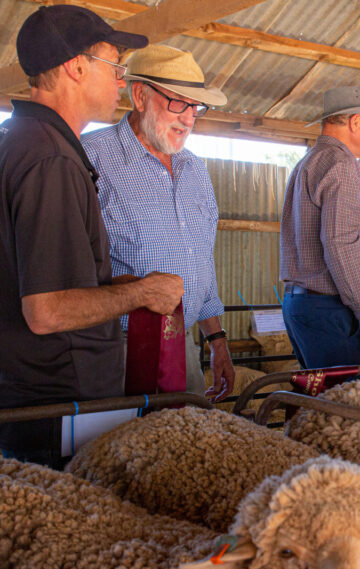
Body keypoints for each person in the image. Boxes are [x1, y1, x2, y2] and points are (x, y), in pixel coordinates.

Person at [1, 5, 183, 468]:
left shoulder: (18, 139)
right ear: (75, 67)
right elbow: (45, 310)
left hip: (27, 394)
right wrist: (141, 291)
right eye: (115, 66)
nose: (121, 81)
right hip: (60, 404)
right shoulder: (51, 160)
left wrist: (122, 288)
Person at [83, 45, 234, 400]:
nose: (189, 118)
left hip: (182, 345)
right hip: (112, 349)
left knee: (182, 447)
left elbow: (202, 263)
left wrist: (217, 340)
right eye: (178, 102)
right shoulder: (90, 157)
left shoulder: (195, 169)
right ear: (139, 96)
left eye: (195, 106)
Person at [279, 86, 360, 368]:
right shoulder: (341, 165)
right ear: (356, 122)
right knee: (344, 406)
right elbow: (339, 244)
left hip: (302, 304)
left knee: (318, 402)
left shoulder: (309, 162)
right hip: (328, 308)